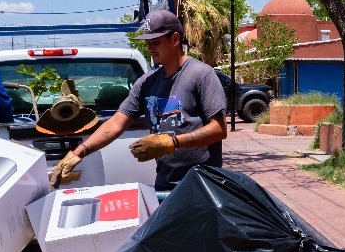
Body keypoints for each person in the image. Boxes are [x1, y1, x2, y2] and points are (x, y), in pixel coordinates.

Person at [49, 10, 226, 190]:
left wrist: (171, 142)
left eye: (156, 42)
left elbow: (219, 129)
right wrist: (78, 153)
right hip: (166, 185)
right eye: (148, 43)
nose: (150, 49)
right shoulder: (147, 83)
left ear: (175, 39)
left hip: (203, 185)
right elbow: (116, 123)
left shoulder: (201, 75)